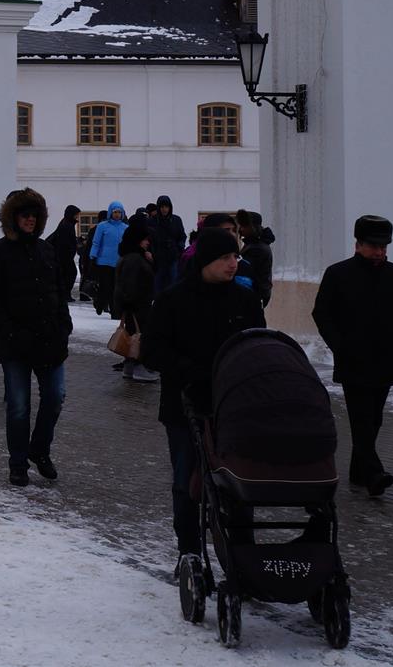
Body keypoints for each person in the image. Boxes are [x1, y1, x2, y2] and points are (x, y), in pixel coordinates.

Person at [140, 225, 265, 564]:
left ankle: (241, 554)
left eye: (235, 256)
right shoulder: (173, 300)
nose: (233, 264)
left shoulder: (245, 299)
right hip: (185, 406)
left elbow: (258, 345)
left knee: (239, 483)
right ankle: (189, 550)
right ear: (207, 260)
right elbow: (152, 351)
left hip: (234, 408)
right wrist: (190, 370)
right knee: (187, 482)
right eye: (225, 257)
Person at [312, 215, 393, 496]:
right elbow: (322, 313)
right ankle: (374, 474)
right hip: (354, 360)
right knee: (361, 418)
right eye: (374, 246)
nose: (380, 251)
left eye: (384, 246)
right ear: (358, 245)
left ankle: (358, 472)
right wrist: (340, 345)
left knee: (374, 418)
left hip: (387, 359)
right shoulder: (338, 274)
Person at [0, 188, 72, 486]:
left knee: (55, 397)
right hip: (15, 343)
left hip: (49, 340)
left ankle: (39, 450)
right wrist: (7, 333)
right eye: (24, 215)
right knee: (18, 405)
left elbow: (58, 291)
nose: (30, 219)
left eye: (34, 215)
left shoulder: (46, 250)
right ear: (13, 218)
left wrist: (63, 325)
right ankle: (17, 462)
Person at [114, 215, 159, 382]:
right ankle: (140, 367)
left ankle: (129, 367)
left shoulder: (133, 256)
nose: (148, 242)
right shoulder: (134, 259)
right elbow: (132, 284)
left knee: (133, 337)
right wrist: (131, 304)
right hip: (137, 306)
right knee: (140, 337)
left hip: (135, 305)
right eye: (145, 240)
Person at [87, 201, 127, 318]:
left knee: (116, 287)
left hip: (119, 262)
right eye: (115, 212)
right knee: (105, 286)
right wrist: (93, 256)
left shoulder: (125, 228)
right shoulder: (102, 226)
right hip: (104, 262)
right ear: (110, 212)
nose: (117, 214)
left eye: (119, 212)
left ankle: (114, 311)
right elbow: (96, 243)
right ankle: (100, 303)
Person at [235, 209, 274, 308]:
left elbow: (245, 270)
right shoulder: (253, 244)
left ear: (252, 227)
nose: (241, 229)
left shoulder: (257, 248)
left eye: (244, 226)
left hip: (255, 294)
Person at [151, 195, 187, 291]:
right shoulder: (152, 221)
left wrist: (179, 248)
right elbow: (149, 238)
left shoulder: (176, 220)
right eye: (162, 207)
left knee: (173, 282)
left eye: (166, 207)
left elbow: (182, 236)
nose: (164, 209)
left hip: (173, 256)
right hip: (158, 258)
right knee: (158, 284)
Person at [48, 204, 81, 301]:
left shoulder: (66, 223)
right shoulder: (67, 225)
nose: (77, 216)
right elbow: (64, 242)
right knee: (69, 274)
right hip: (64, 257)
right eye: (76, 214)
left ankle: (64, 294)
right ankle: (65, 295)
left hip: (64, 256)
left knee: (67, 275)